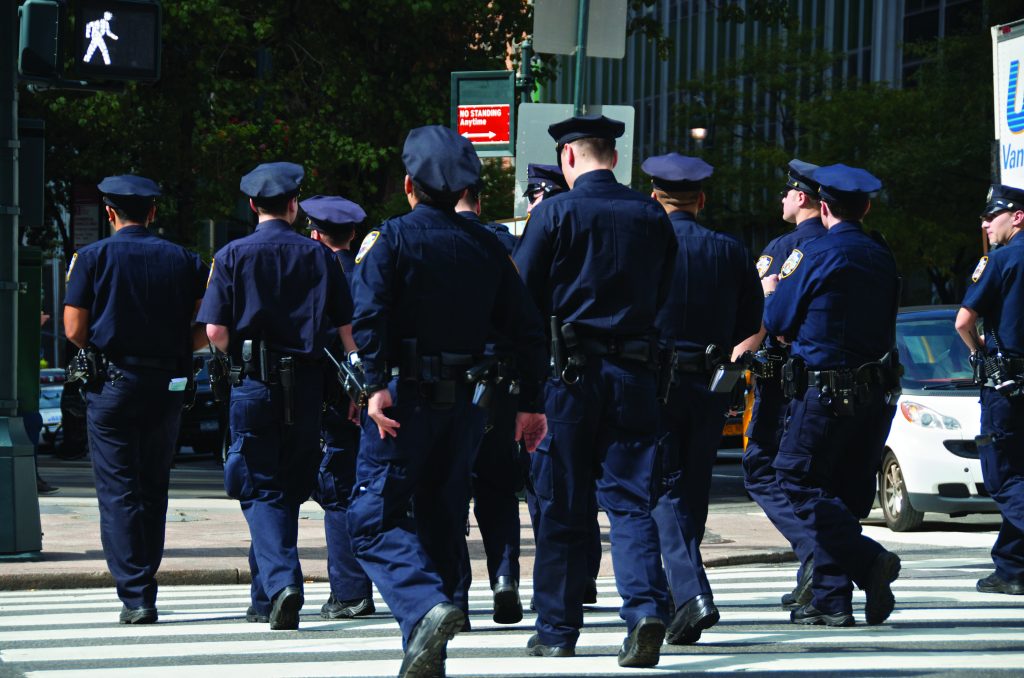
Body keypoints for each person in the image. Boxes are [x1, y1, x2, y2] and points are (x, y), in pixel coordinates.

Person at [347, 125, 548, 678]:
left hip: (404, 401)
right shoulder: (488, 246)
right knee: (440, 518)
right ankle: (427, 644)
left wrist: (375, 382)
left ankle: (425, 608)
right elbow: (529, 331)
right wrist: (532, 402)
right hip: (465, 406)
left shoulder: (391, 240)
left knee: (370, 519)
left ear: (409, 184)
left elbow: (368, 315)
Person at [513, 114, 677, 667]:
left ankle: (557, 630)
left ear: (569, 158)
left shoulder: (555, 212)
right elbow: (663, 291)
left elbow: (521, 302)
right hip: (634, 374)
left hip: (569, 378)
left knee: (562, 506)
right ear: (613, 155)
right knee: (631, 503)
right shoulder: (651, 213)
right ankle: (645, 611)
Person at [198, 163, 354, 630]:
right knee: (287, 488)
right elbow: (346, 331)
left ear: (251, 206)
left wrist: (238, 362)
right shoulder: (319, 256)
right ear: (293, 206)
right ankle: (264, 596)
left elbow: (216, 331)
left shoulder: (230, 255)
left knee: (258, 486)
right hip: (306, 385)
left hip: (254, 382)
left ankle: (283, 583)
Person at [63, 175, 208, 624]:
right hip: (167, 383)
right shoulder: (186, 260)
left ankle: (137, 594)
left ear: (110, 213)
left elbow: (72, 329)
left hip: (113, 382)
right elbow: (208, 328)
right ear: (153, 212)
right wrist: (177, 349)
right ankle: (145, 575)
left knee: (119, 490)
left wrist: (102, 349)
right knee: (153, 486)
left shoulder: (91, 258)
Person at [763, 163, 902, 627]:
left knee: (796, 478)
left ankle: (866, 562)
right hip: (873, 393)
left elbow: (779, 321)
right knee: (840, 494)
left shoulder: (815, 252)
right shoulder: (882, 254)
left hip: (825, 390)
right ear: (866, 207)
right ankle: (831, 599)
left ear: (823, 207)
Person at [641, 153, 762, 645]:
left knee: (660, 488)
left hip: (656, 382)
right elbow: (749, 323)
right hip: (711, 382)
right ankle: (681, 599)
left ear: (654, 197)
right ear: (702, 199)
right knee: (691, 489)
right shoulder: (729, 250)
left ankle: (689, 593)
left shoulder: (644, 247)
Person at [733, 160, 828, 610]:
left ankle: (815, 556)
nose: (782, 199)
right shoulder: (851, 245)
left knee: (762, 467)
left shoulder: (786, 248)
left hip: (780, 378)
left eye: (788, 192)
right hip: (827, 381)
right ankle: (821, 567)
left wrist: (739, 354)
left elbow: (763, 311)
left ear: (803, 198)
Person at [520, 162, 603, 607]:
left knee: (552, 489)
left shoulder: (548, 228)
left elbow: (520, 303)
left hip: (557, 376)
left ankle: (558, 595)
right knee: (585, 487)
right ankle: (582, 577)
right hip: (603, 373)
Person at [300, 195, 376, 620]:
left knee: (336, 493)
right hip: (369, 397)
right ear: (352, 236)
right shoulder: (368, 274)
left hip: (334, 402)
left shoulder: (319, 279)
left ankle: (349, 592)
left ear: (315, 233)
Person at [454, 183, 525, 625]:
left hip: (441, 387)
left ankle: (454, 596)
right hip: (499, 383)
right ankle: (504, 579)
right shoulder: (504, 243)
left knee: (444, 492)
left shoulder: (411, 236)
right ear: (478, 202)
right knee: (498, 490)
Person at [955, 183, 1024, 596]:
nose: (985, 223)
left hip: (1009, 385)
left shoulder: (999, 261)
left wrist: (979, 352)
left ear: (1017, 216)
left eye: (991, 216)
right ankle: (1012, 567)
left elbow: (964, 321)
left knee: (1003, 477)